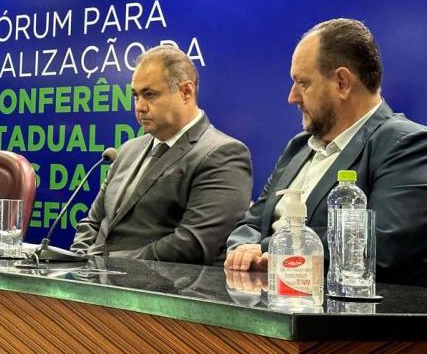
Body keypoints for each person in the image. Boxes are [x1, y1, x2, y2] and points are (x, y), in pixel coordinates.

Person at [224, 18, 427, 286]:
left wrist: (269, 249)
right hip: (268, 303)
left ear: (342, 82)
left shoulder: (406, 143)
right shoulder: (298, 146)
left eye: (303, 83)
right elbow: (250, 224)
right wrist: (241, 250)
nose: (292, 97)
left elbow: (382, 245)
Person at [71, 46, 252, 264]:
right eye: (136, 95)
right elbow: (93, 222)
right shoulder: (128, 150)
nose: (140, 107)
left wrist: (105, 264)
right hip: (93, 283)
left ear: (186, 92)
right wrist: (76, 263)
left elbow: (192, 244)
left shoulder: (223, 154)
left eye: (150, 95)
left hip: (163, 289)